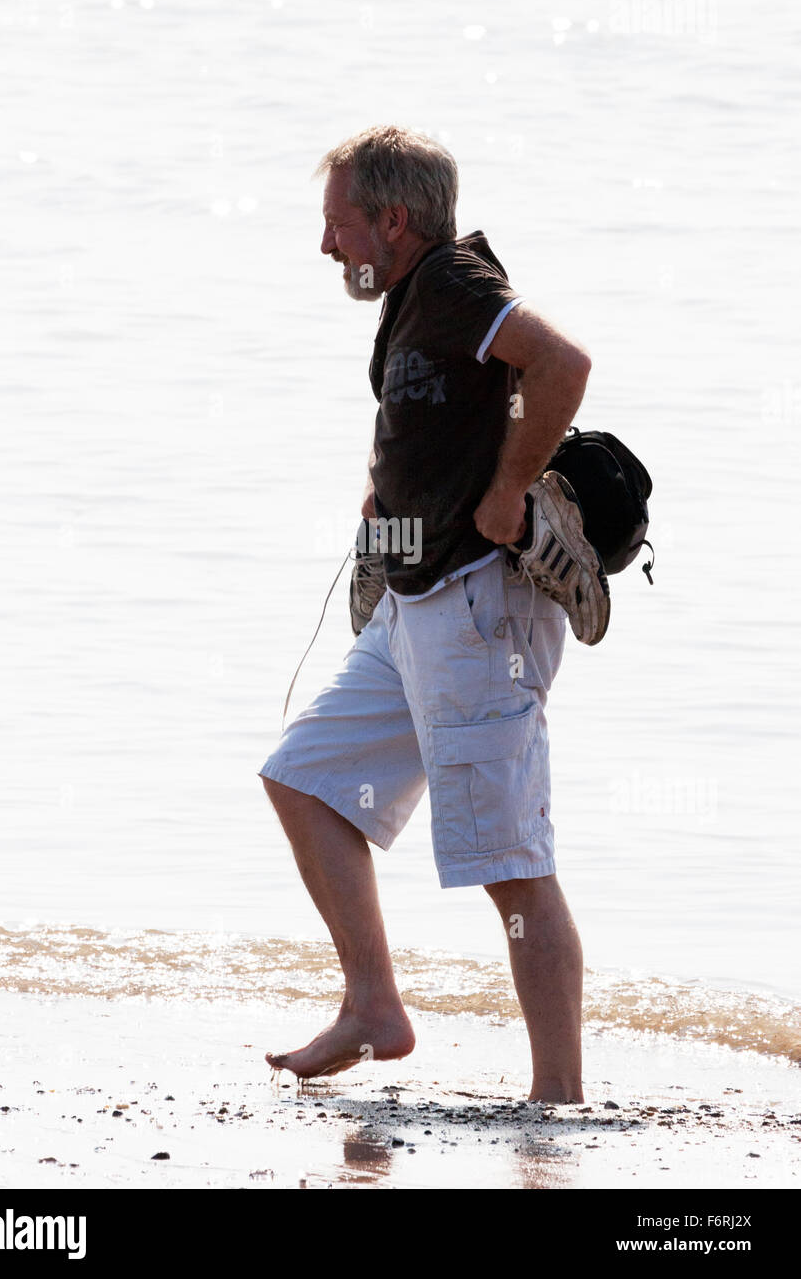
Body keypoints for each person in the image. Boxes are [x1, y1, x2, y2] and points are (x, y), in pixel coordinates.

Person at [258, 124, 607, 1103]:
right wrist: (391, 503)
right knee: (305, 775)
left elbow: (563, 365)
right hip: (413, 600)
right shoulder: (415, 300)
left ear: (392, 219)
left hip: (478, 608)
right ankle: (374, 1005)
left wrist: (507, 490)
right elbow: (445, 416)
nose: (327, 246)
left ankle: (557, 1097)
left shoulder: (453, 281)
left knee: (508, 861)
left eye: (338, 225)